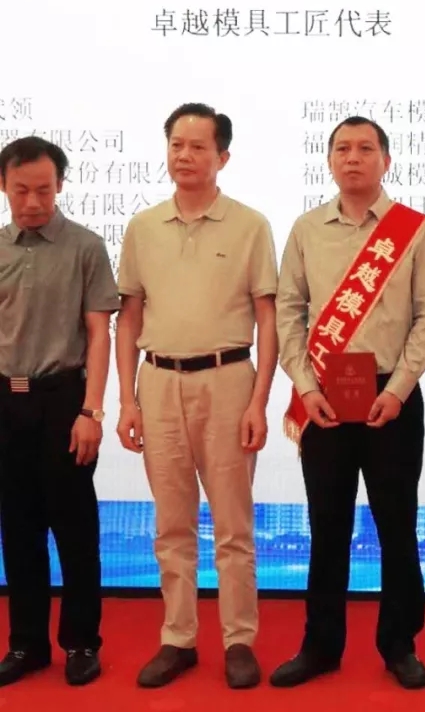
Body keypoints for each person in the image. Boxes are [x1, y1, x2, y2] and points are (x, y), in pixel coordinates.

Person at [270, 116, 425, 690]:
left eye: (365, 148)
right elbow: (289, 312)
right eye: (342, 148)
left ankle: (399, 645)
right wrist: (305, 386)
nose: (353, 157)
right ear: (329, 160)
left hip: (393, 398)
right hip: (324, 398)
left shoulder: (414, 231)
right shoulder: (306, 229)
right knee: (327, 526)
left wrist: (398, 390)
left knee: (397, 526)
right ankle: (321, 645)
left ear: (385, 161)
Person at [115, 103, 279, 690]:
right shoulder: (143, 227)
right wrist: (127, 400)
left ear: (222, 157)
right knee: (171, 523)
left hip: (228, 379)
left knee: (233, 524)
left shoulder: (250, 225)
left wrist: (260, 401)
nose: (184, 156)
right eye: (176, 145)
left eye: (198, 147)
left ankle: (239, 639)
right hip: (158, 381)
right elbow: (129, 317)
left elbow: (268, 318)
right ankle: (178, 639)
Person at [0, 136, 119, 687]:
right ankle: (26, 644)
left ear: (61, 186)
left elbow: (99, 333)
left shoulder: (86, 247)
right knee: (17, 527)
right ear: (4, 187)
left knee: (75, 528)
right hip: (6, 400)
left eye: (44, 190)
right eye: (21, 190)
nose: (33, 201)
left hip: (64, 400)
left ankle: (81, 642)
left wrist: (92, 410)